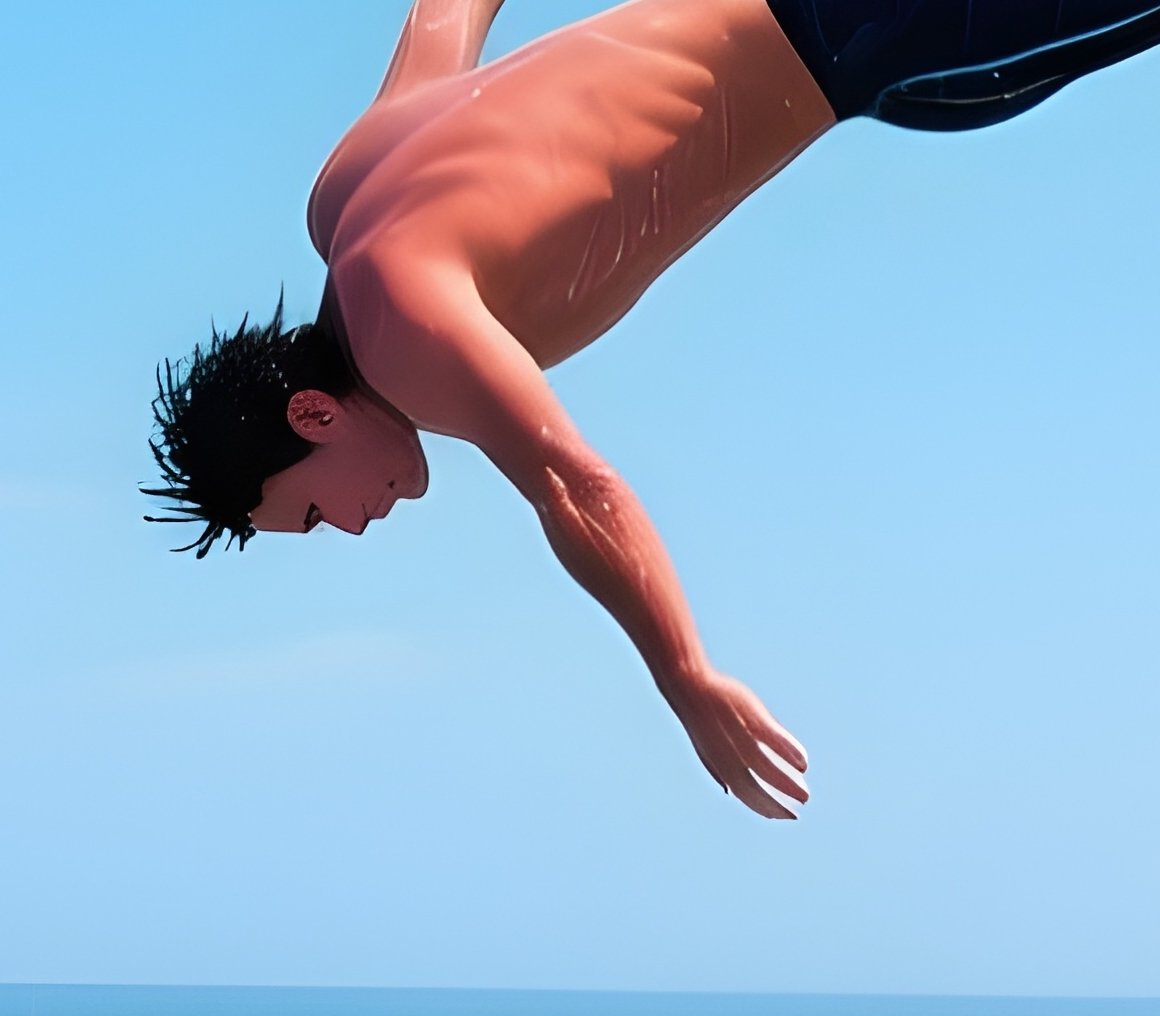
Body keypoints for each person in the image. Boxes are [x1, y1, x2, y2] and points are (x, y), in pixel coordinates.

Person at [145, 0, 1160, 818]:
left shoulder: (404, 334)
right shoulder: (346, 189)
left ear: (315, 418)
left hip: (867, 36)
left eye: (315, 512)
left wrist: (685, 678)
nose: (354, 526)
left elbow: (574, 490)